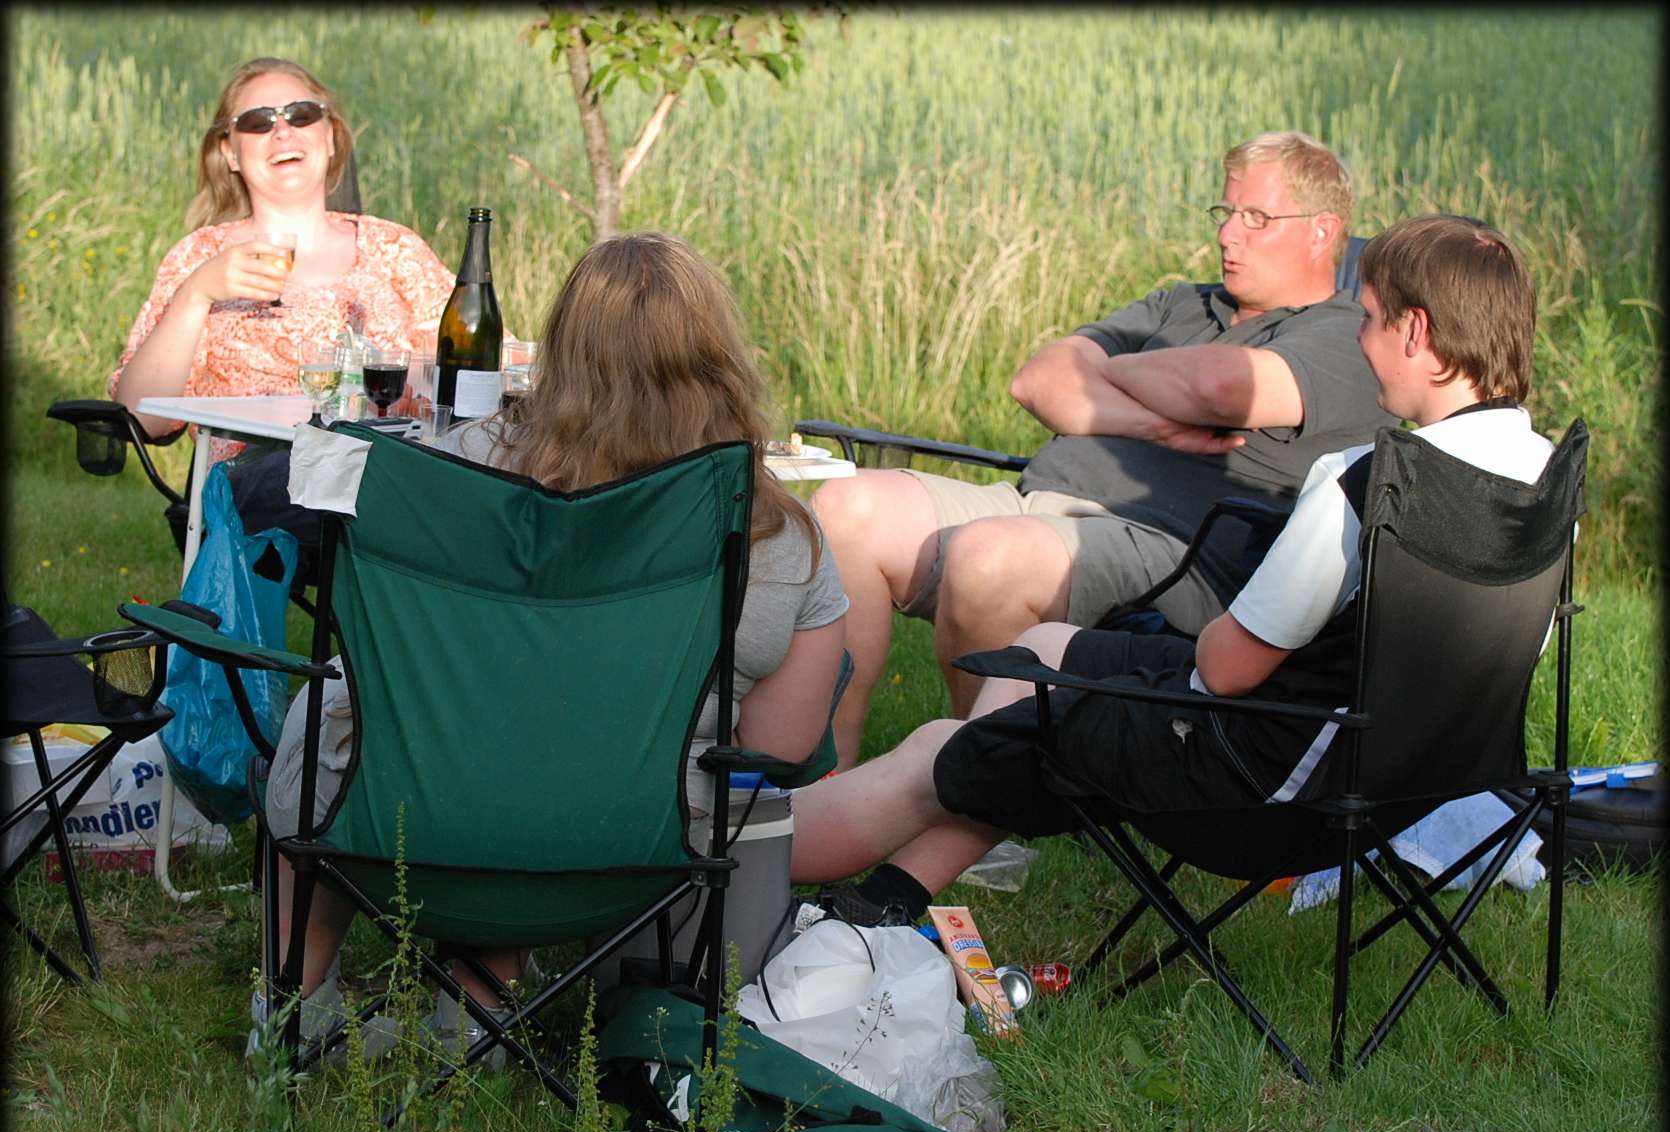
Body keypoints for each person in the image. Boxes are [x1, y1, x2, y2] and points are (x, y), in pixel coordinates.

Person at [788, 214, 1555, 927]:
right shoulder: (1545, 481)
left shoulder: (1365, 482)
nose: (1360, 340)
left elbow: (1223, 670)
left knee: (945, 749)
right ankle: (893, 896)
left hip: (1255, 792)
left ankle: (737, 864)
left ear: (1416, 331)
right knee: (1044, 653)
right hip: (1392, 783)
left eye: (1371, 318)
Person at [254, 231, 848, 1063]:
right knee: (561, 751)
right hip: (633, 847)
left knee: (337, 711)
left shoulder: (450, 477)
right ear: (722, 359)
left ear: (560, 351)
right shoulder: (782, 538)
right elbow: (776, 757)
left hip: (406, 822)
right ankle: (474, 1016)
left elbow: (333, 486)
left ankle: (294, 1007)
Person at [812, 131, 1397, 767]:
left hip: (1171, 553)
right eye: (1225, 213)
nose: (1229, 235)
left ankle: (974, 795)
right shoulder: (1182, 303)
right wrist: (1160, 424)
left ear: (1322, 231)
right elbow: (1038, 380)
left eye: (1256, 218)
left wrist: (1111, 372)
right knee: (849, 508)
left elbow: (1220, 386)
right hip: (1038, 503)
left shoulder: (1345, 335)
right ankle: (826, 778)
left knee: (990, 557)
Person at [108, 57, 456, 464]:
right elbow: (138, 416)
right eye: (258, 122)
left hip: (387, 472)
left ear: (330, 138)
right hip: (262, 491)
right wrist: (196, 294)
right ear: (230, 152)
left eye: (302, 114)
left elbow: (481, 367)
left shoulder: (396, 248)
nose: (283, 131)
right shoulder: (200, 257)